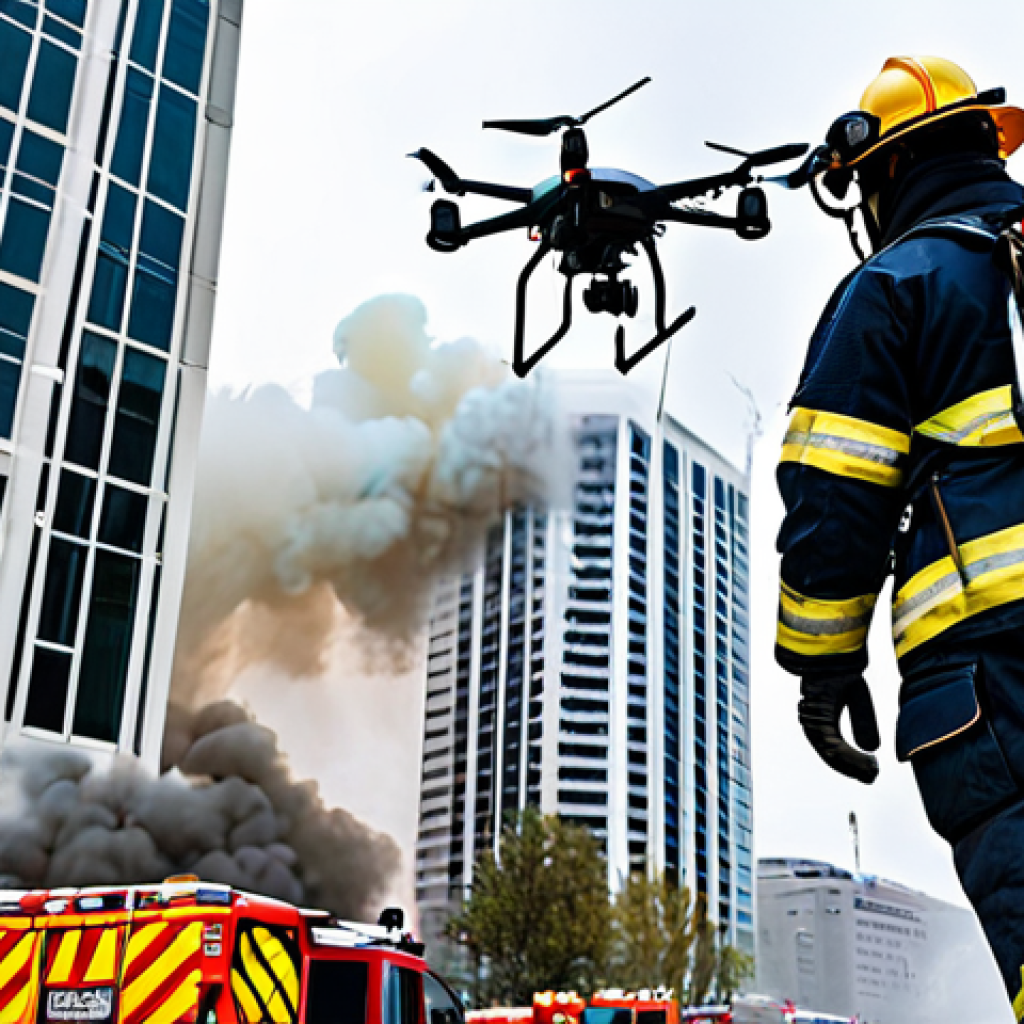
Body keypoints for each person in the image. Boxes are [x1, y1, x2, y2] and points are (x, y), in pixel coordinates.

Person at [774, 55, 1024, 1007]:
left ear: (881, 175)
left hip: (991, 690)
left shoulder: (897, 285)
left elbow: (834, 496)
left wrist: (825, 664)